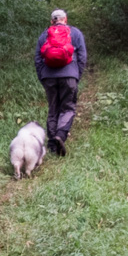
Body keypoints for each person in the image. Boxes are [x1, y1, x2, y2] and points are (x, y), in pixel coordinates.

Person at [33, 8, 87, 155]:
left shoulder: (44, 35)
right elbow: (82, 58)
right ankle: (60, 136)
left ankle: (51, 143)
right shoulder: (75, 33)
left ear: (52, 21)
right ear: (66, 19)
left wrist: (42, 77)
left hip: (48, 77)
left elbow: (38, 60)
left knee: (53, 107)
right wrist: (76, 76)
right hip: (69, 76)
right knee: (68, 107)